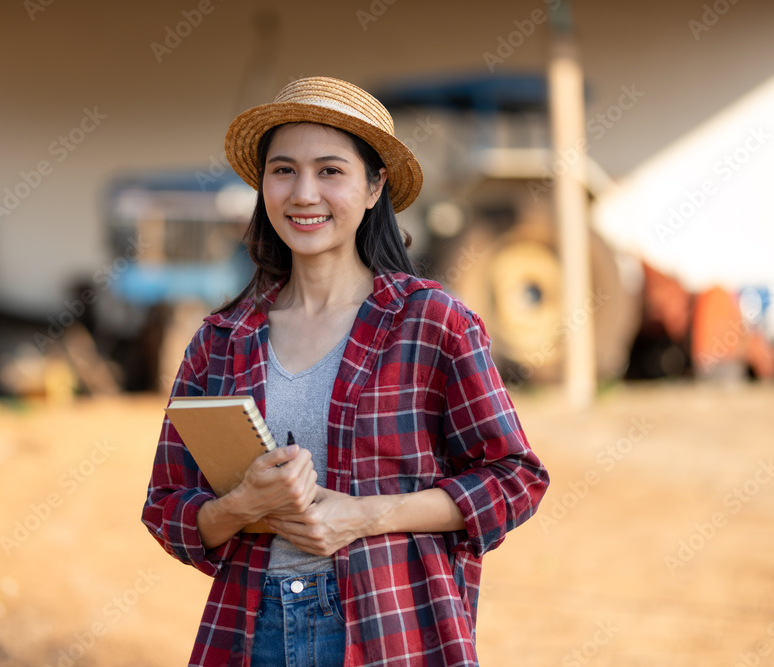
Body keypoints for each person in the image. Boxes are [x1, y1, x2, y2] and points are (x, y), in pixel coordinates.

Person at [142, 76, 549, 666]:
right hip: (252, 633)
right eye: (283, 171)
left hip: (393, 628)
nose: (304, 193)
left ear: (373, 185)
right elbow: (166, 506)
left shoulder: (433, 323)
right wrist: (241, 507)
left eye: (330, 170)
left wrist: (362, 516)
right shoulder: (219, 342)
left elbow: (515, 479)